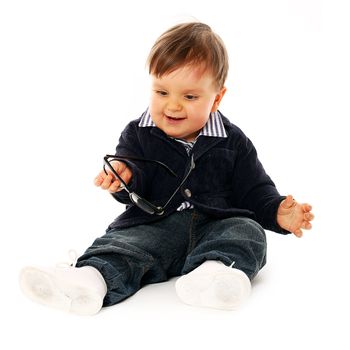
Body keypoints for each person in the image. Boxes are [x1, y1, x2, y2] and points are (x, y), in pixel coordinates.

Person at [19, 22, 314, 315]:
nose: (173, 106)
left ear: (217, 98)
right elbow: (132, 172)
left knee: (247, 231)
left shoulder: (232, 140)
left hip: (217, 224)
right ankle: (88, 279)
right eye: (161, 92)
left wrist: (277, 211)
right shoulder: (138, 133)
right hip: (155, 225)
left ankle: (214, 274)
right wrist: (124, 177)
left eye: (189, 97)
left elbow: (254, 188)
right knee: (125, 244)